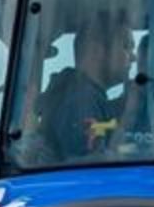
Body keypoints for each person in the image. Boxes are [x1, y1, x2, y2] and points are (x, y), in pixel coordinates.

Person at [35, 12, 137, 161]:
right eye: (126, 46)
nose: (134, 57)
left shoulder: (82, 95)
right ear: (96, 50)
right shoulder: (80, 101)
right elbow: (91, 167)